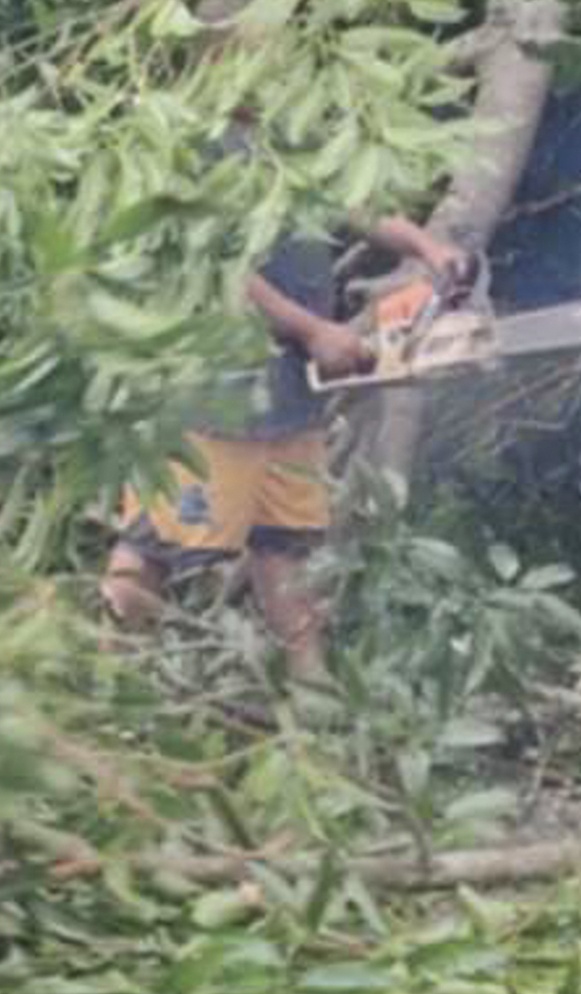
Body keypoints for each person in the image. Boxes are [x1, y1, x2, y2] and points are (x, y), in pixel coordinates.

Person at [101, 212, 464, 678]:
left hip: (291, 398)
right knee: (153, 547)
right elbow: (215, 267)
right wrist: (313, 331)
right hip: (212, 398)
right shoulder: (201, 148)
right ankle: (108, 676)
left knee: (287, 549)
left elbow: (359, 202)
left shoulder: (300, 143)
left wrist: (430, 250)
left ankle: (312, 694)